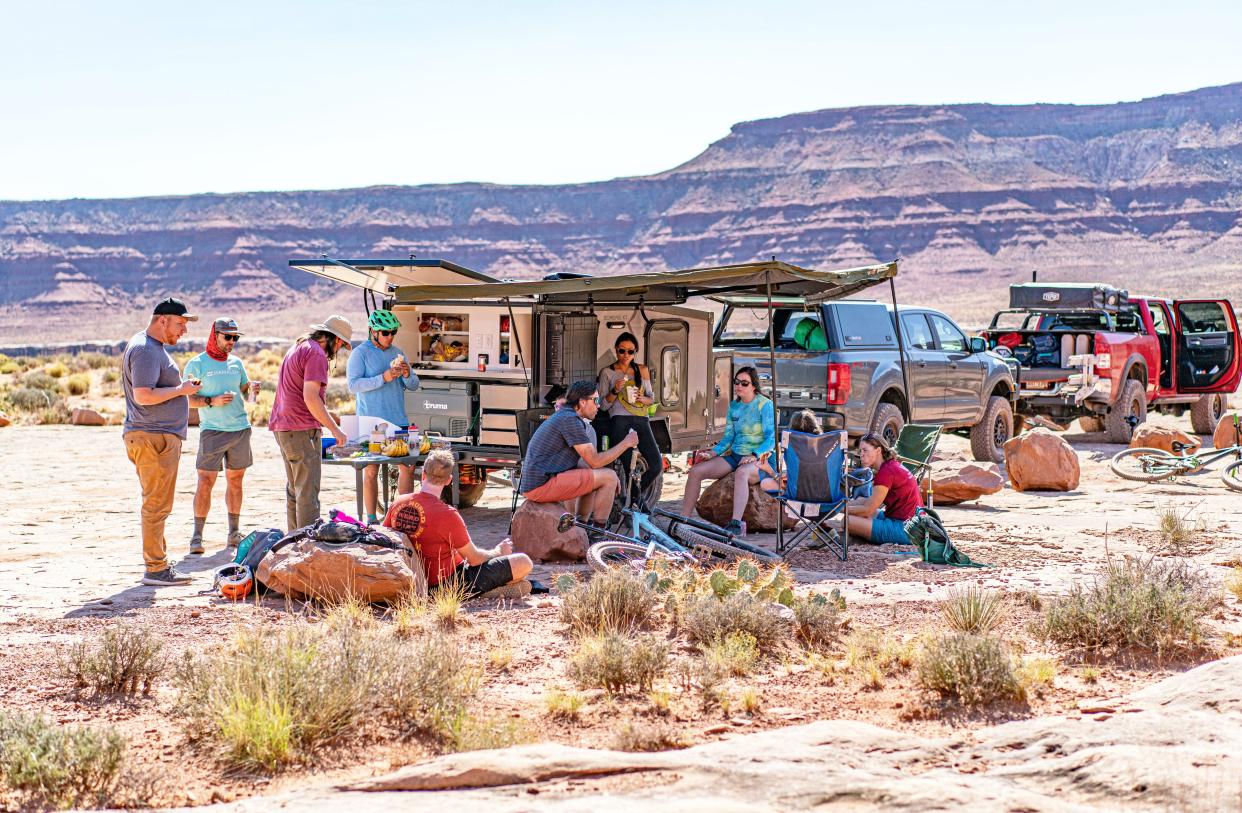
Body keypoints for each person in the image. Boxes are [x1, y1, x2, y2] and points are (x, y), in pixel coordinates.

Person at [122, 297, 202, 586]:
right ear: (162, 320)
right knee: (156, 504)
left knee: (157, 503)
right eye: (180, 324)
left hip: (154, 436)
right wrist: (180, 389)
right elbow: (144, 395)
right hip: (153, 437)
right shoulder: (146, 350)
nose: (183, 331)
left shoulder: (151, 348)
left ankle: (159, 564)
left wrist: (190, 394)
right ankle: (155, 569)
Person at [384, 450, 533, 598]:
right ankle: (485, 591)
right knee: (523, 562)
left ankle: (488, 590)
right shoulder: (447, 514)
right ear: (449, 480)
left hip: (409, 580)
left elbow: (384, 538)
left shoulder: (398, 502)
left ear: (423, 474)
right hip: (446, 584)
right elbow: (475, 559)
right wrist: (499, 551)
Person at [183, 318, 260, 554]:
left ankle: (234, 533)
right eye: (228, 337)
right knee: (205, 482)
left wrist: (252, 391)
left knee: (235, 481)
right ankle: (197, 537)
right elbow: (187, 399)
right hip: (212, 432)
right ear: (214, 335)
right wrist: (211, 401)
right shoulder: (197, 365)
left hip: (240, 430)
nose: (232, 342)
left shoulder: (237, 363)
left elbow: (247, 394)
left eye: (235, 338)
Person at [269, 315, 352, 531]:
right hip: (301, 429)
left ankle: (293, 542)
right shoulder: (316, 354)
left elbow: (301, 394)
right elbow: (311, 397)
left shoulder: (300, 346)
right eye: (341, 344)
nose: (340, 349)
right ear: (333, 338)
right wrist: (335, 430)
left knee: (295, 490)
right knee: (308, 493)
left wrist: (328, 416)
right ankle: (307, 548)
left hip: (284, 426)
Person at [519, 380, 639, 527]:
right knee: (609, 478)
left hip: (538, 482)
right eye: (596, 400)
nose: (599, 405)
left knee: (592, 472)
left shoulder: (567, 416)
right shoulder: (569, 420)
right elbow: (595, 460)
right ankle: (597, 535)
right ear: (582, 402)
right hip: (540, 485)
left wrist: (601, 471)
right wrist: (626, 443)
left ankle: (582, 527)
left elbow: (588, 464)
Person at [678, 366, 775, 536]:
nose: (739, 386)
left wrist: (753, 455)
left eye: (744, 383)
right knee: (695, 471)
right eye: (736, 382)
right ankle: (683, 520)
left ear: (754, 386)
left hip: (761, 459)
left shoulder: (764, 405)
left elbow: (771, 439)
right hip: (736, 455)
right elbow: (728, 438)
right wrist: (713, 453)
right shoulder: (734, 406)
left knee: (742, 474)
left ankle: (736, 524)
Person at [347, 309, 421, 524]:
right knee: (371, 469)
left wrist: (407, 375)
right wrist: (384, 377)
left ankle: (401, 517)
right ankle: (371, 519)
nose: (390, 336)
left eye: (393, 332)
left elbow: (414, 385)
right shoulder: (359, 353)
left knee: (408, 466)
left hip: (400, 421)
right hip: (373, 425)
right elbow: (353, 385)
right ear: (373, 331)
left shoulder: (398, 351)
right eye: (386, 332)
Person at [597, 332, 661, 505]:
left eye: (630, 352)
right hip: (620, 420)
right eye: (622, 351)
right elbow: (602, 405)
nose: (625, 356)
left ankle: (634, 498)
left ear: (635, 352)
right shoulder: (607, 373)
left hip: (641, 419)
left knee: (656, 465)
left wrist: (642, 399)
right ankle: (636, 505)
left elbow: (651, 399)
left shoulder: (642, 370)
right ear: (616, 351)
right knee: (628, 468)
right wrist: (615, 391)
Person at [842, 432, 921, 544]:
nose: (861, 454)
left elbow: (868, 509)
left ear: (878, 451)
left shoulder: (886, 473)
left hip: (906, 530)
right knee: (857, 508)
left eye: (865, 450)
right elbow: (869, 500)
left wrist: (840, 510)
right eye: (860, 451)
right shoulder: (891, 465)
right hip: (913, 524)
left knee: (846, 521)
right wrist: (841, 504)